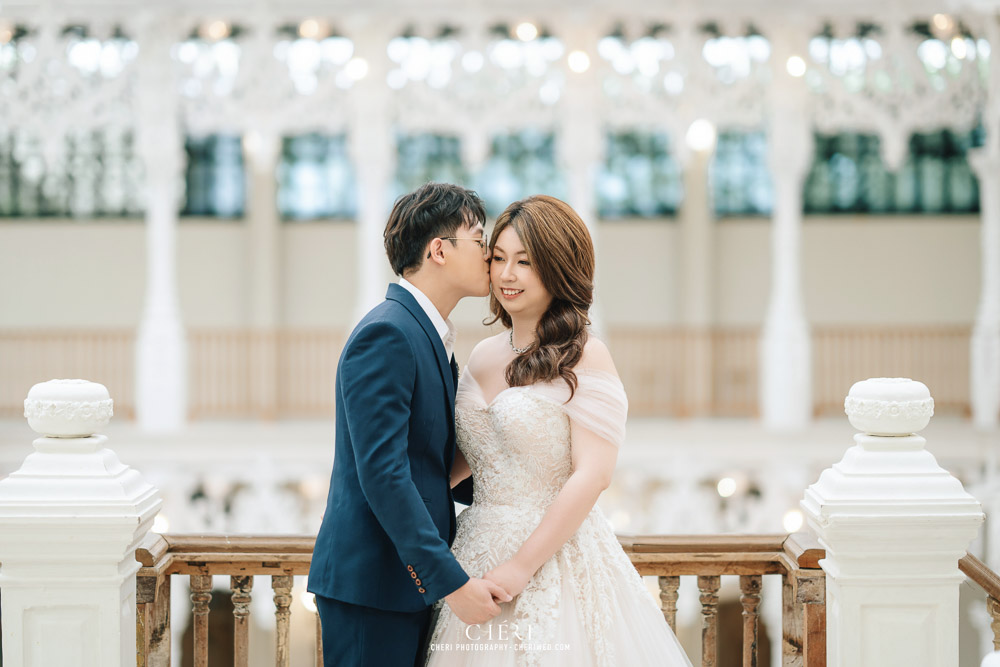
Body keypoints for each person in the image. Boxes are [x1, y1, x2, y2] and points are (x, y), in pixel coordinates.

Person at [426, 195, 692, 665]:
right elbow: (466, 457)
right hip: (473, 555)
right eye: (500, 258)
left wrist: (521, 567)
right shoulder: (482, 355)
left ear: (558, 267)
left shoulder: (587, 356)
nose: (507, 275)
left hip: (553, 560)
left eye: (525, 262)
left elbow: (593, 475)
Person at [308, 183, 512, 667]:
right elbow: (384, 474)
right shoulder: (388, 333)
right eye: (479, 240)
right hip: (373, 587)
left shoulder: (428, 335)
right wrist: (450, 581)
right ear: (439, 250)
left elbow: (429, 462)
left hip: (402, 585)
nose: (489, 255)